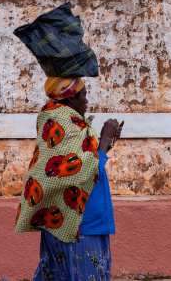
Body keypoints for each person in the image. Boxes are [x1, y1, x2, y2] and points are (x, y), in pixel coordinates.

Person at [14, 75, 123, 281]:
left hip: (71, 220)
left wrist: (106, 143)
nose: (87, 100)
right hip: (79, 223)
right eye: (84, 95)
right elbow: (82, 172)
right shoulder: (67, 124)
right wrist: (105, 139)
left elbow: (82, 162)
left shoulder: (61, 121)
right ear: (71, 98)